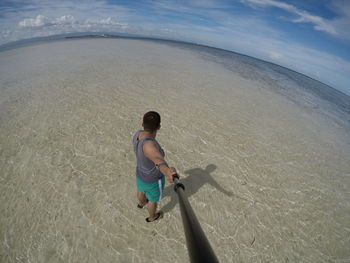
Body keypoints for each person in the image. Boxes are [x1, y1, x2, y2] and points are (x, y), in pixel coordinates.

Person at [132, 111, 178, 222]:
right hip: (153, 179)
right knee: (153, 200)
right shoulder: (149, 145)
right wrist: (167, 171)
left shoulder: (137, 134)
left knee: (141, 190)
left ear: (142, 124)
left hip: (140, 173)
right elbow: (158, 159)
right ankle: (152, 217)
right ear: (159, 127)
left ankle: (141, 204)